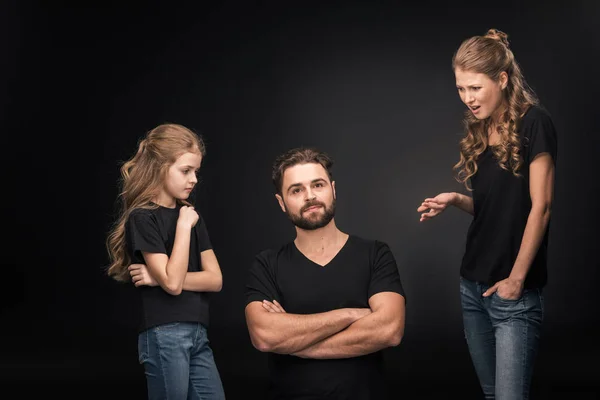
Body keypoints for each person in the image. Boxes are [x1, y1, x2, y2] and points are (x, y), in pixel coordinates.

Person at [417, 29, 557, 399]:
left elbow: (540, 207)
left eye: (475, 88)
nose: (467, 99)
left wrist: (516, 279)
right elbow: (498, 206)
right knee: (493, 395)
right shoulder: (482, 128)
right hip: (472, 287)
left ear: (502, 79)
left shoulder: (534, 123)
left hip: (514, 292)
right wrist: (455, 199)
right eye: (461, 89)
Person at [244, 147, 406, 399]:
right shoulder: (267, 264)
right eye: (296, 190)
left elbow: (389, 330)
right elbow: (265, 336)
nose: (310, 196)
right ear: (281, 203)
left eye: (317, 185)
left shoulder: (375, 254)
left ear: (333, 189)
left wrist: (294, 343)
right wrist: (349, 314)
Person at [105, 123, 226, 400]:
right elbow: (172, 283)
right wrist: (182, 228)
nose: (193, 179)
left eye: (196, 171)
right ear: (160, 168)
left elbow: (215, 280)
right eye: (185, 171)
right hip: (165, 334)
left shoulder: (191, 215)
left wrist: (155, 277)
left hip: (198, 333)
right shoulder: (144, 217)